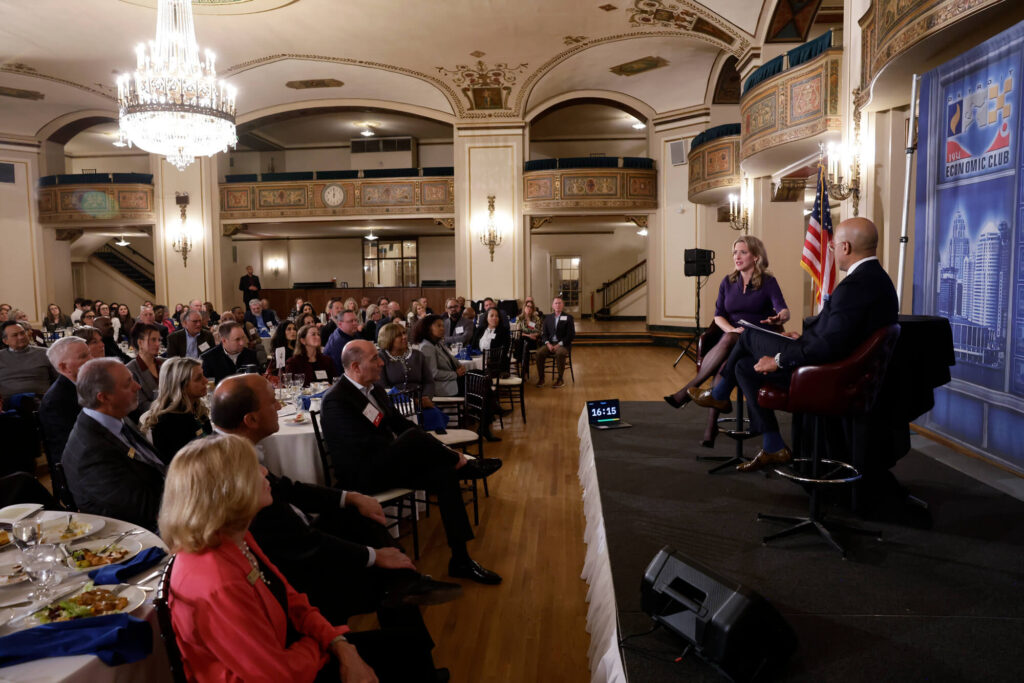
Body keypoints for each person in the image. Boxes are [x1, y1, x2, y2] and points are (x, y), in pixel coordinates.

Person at [210, 375, 459, 665]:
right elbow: (299, 542)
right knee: (386, 576)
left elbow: (290, 490)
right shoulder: (232, 469)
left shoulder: (233, 448)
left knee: (359, 515)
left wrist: (349, 497)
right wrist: (373, 555)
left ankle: (406, 593)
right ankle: (414, 649)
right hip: (287, 572)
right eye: (272, 402)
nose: (279, 406)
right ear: (251, 420)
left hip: (295, 541)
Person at [160, 434, 441, 683]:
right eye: (253, 469)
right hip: (285, 669)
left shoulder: (235, 536)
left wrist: (338, 643)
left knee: (409, 646)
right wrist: (328, 647)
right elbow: (276, 676)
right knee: (406, 654)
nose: (265, 471)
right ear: (229, 490)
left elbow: (291, 599)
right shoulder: (217, 580)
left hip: (290, 651)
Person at [691, 217, 900, 472]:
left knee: (747, 335)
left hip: (826, 374)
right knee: (743, 366)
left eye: (833, 246)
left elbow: (829, 346)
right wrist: (799, 339)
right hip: (827, 363)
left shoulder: (856, 285)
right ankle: (773, 445)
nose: (831, 250)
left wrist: (778, 360)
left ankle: (719, 394)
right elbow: (836, 336)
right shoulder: (874, 279)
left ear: (845, 247)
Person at [321, 340, 503, 584]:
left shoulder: (375, 390)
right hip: (362, 475)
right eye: (375, 359)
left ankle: (461, 559)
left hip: (386, 464)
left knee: (444, 473)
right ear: (355, 366)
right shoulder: (337, 400)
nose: (381, 363)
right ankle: (463, 464)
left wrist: (419, 449)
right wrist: (406, 450)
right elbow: (360, 447)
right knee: (414, 438)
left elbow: (400, 424)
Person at [664, 236, 789, 447]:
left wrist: (781, 317)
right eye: (734, 252)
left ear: (756, 256)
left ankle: (691, 395)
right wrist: (732, 329)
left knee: (728, 347)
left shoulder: (768, 282)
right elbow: (718, 315)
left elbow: (783, 310)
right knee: (726, 355)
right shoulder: (727, 281)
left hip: (757, 342)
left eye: (743, 252)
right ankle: (711, 420)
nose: (737, 257)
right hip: (731, 337)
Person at [61, 358, 166, 530]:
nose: (138, 387)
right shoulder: (91, 452)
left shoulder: (115, 416)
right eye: (128, 383)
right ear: (104, 397)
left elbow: (153, 463)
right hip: (136, 532)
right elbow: (143, 508)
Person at [140, 357, 212, 465]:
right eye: (198, 378)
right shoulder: (168, 422)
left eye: (203, 375)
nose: (206, 381)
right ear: (180, 386)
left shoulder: (196, 408)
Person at [38, 337, 90, 464]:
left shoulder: (87, 384)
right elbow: (73, 446)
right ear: (64, 367)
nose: (92, 359)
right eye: (84, 356)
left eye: (89, 354)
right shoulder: (56, 402)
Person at [376, 322, 435, 410]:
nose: (404, 337)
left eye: (404, 333)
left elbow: (429, 382)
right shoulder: (381, 358)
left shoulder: (418, 355)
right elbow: (382, 387)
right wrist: (412, 402)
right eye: (399, 335)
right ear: (388, 339)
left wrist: (425, 397)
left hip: (422, 402)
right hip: (395, 405)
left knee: (435, 415)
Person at [0, 320, 55, 398]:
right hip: (8, 401)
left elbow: (59, 379)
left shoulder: (46, 353)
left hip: (42, 399)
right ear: (5, 341)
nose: (21, 337)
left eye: (22, 333)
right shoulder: (1, 356)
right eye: (15, 335)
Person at [413, 315, 464, 398]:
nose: (442, 329)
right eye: (439, 326)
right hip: (443, 388)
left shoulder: (438, 343)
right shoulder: (426, 347)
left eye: (443, 326)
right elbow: (433, 373)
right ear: (428, 328)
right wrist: (455, 374)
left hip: (453, 382)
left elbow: (451, 358)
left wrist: (460, 366)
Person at [125, 322, 166, 417]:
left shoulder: (164, 363)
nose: (158, 344)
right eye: (153, 340)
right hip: (150, 418)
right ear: (140, 343)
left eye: (159, 340)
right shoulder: (130, 370)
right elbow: (142, 405)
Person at [535, 296, 575, 388]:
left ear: (563, 305)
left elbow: (571, 335)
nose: (557, 305)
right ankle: (541, 378)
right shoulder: (547, 318)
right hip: (549, 344)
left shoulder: (568, 318)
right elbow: (544, 334)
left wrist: (559, 344)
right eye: (556, 303)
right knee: (539, 353)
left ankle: (560, 379)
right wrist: (548, 343)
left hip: (563, 344)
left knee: (560, 353)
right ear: (552, 306)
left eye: (559, 303)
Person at [513, 299, 543, 374]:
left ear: (533, 309)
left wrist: (530, 335)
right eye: (528, 306)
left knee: (521, 343)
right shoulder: (519, 318)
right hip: (524, 340)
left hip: (532, 342)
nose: (529, 308)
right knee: (524, 344)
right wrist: (529, 335)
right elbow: (518, 332)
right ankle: (524, 371)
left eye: (531, 307)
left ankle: (519, 364)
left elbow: (538, 331)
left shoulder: (536, 318)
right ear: (524, 307)